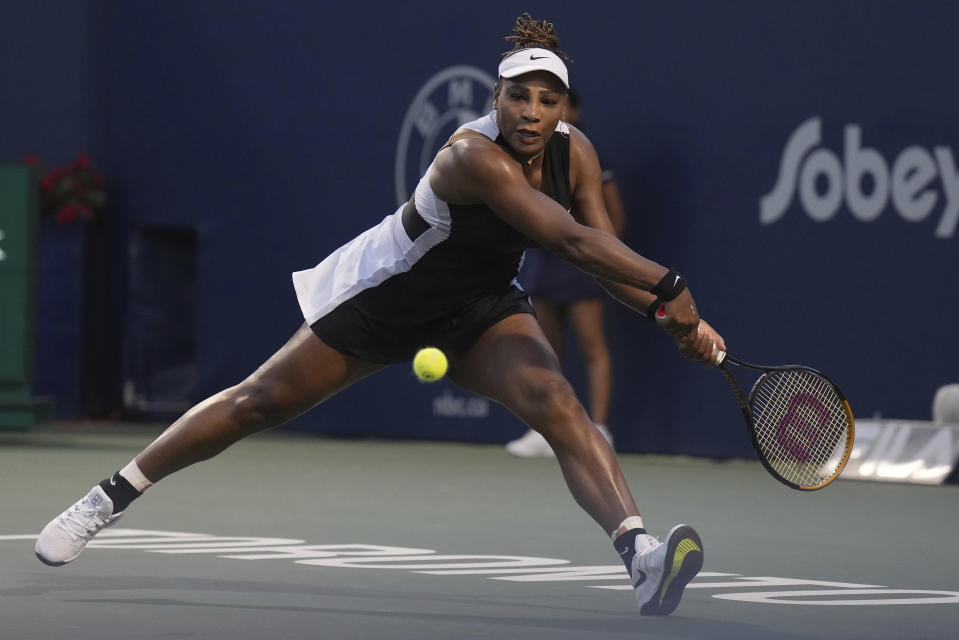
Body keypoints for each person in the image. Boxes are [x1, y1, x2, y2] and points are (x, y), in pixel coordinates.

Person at [35, 13, 726, 617]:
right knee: (256, 403)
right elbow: (566, 239)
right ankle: (109, 497)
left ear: (562, 109)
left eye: (547, 101)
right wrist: (670, 285)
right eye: (518, 96)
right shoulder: (470, 156)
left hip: (480, 306)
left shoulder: (574, 154)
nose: (531, 113)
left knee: (554, 399)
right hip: (383, 298)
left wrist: (672, 318)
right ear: (496, 97)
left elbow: (600, 255)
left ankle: (639, 554)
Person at [507, 87, 626, 457]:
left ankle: (600, 429)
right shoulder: (529, 153)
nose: (542, 113)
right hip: (546, 261)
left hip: (582, 266)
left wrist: (598, 255)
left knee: (593, 347)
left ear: (570, 110)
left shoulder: (586, 152)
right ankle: (545, 430)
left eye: (554, 104)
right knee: (546, 348)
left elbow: (613, 218)